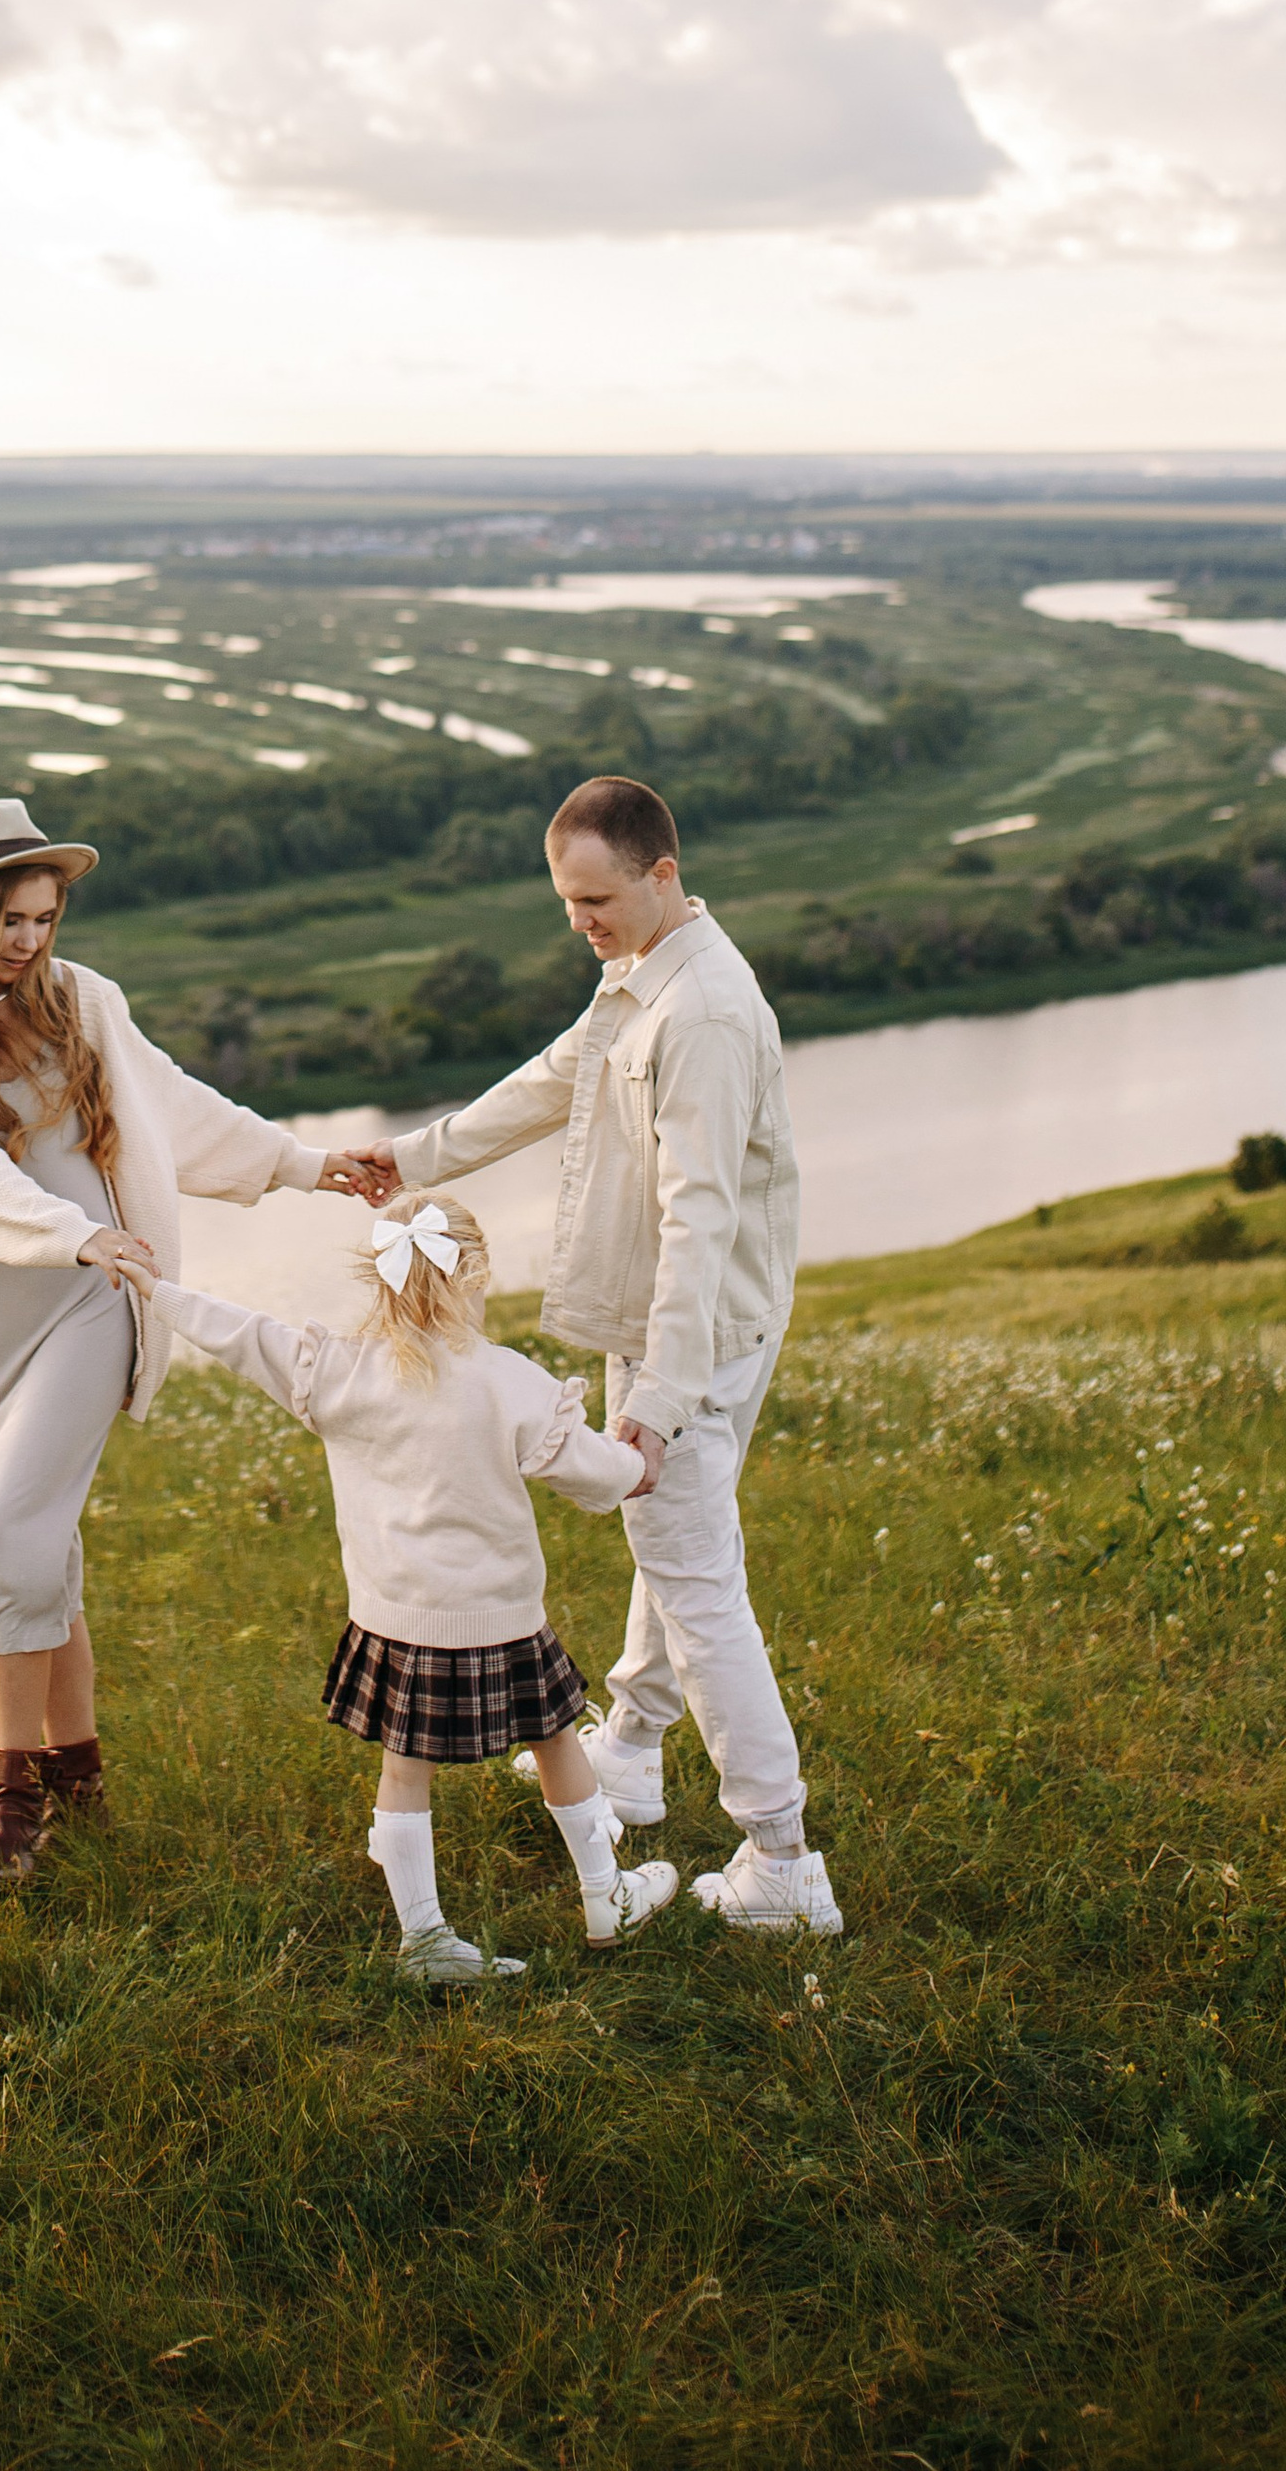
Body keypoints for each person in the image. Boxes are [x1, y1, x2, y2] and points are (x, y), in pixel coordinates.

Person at [341, 773, 841, 1938]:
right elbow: (551, 1080)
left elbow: (699, 1219)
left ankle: (784, 1862)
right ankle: (626, 1754)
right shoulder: (640, 971)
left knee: (698, 1581)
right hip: (671, 1328)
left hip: (697, 1340)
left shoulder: (702, 1015)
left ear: (661, 874)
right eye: (567, 903)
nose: (580, 922)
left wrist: (659, 1407)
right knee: (674, 1555)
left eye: (596, 899)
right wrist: (414, 1160)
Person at [0, 793, 373, 1894]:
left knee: (4, 1531)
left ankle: (15, 1808)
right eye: (8, 920)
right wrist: (63, 1232)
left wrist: (301, 1163)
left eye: (45, 919)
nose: (30, 941)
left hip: (104, 1290)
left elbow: (174, 1111)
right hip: (3, 1315)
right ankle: (82, 1778)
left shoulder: (87, 1002)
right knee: (41, 1543)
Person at [151, 1186, 680, 1982]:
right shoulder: (507, 1380)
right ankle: (607, 1897)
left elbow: (236, 1331)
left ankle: (426, 1941)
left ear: (377, 1275)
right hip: (500, 1618)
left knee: (405, 1770)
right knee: (558, 1742)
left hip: (394, 1622)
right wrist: (642, 1460)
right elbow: (598, 1475)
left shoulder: (337, 1371)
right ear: (478, 1272)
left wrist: (152, 1286)